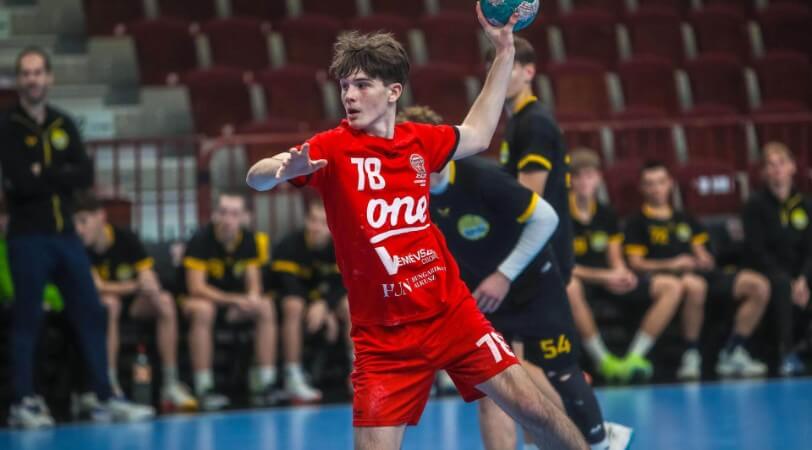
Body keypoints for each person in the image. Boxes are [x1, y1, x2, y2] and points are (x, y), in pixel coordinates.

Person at [246, 6, 588, 450]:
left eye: (361, 85)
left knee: (535, 409)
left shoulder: (419, 140)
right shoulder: (331, 148)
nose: (349, 96)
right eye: (344, 86)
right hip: (383, 336)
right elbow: (256, 176)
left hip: (451, 315)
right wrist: (279, 170)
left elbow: (479, 132)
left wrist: (504, 51)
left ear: (393, 91)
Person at [0, 47, 153, 428]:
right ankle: (23, 401)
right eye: (26, 73)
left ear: (49, 78)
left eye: (38, 72)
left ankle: (102, 396)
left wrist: (45, 173)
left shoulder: (63, 123)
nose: (33, 79)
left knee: (92, 312)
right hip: (27, 237)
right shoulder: (7, 126)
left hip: (65, 236)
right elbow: (20, 182)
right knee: (28, 318)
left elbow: (83, 176)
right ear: (19, 80)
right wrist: (57, 175)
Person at [624, 161, 770, 380]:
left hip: (701, 273)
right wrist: (672, 264)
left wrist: (704, 258)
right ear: (642, 188)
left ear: (670, 184)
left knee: (758, 285)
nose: (656, 189)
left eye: (661, 182)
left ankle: (733, 350)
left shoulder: (685, 218)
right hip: (668, 277)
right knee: (695, 286)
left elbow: (702, 251)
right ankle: (690, 354)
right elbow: (636, 263)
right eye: (650, 184)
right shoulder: (637, 222)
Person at [566, 149, 684, 383]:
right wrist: (605, 276)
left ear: (598, 178)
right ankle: (603, 361)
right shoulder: (560, 213)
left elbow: (615, 256)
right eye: (578, 176)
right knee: (570, 286)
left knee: (671, 285)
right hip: (582, 279)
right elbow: (565, 266)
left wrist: (622, 273)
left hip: (607, 279)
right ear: (569, 180)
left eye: (589, 175)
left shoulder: (606, 213)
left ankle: (633, 358)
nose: (584, 182)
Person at [73, 192, 198, 411]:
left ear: (101, 217)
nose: (79, 229)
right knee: (109, 303)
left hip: (133, 305)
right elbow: (97, 287)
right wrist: (135, 285)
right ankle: (109, 385)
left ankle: (170, 383)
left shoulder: (126, 238)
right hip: (97, 307)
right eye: (75, 223)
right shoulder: (77, 247)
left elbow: (147, 275)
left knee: (165, 301)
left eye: (84, 221)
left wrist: (149, 285)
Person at [180, 191, 278, 411]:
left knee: (265, 306)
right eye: (223, 212)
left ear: (244, 217)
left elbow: (254, 282)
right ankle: (204, 387)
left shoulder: (250, 239)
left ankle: (266, 383)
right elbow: (196, 288)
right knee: (204, 310)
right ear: (215, 214)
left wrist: (252, 297)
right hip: (195, 302)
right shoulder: (201, 239)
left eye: (234, 214)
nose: (228, 219)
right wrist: (235, 300)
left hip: (230, 305)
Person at [742, 142, 812, 376]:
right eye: (770, 165)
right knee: (781, 284)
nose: (777, 169)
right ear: (764, 173)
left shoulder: (805, 204)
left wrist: (803, 279)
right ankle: (786, 352)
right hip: (769, 270)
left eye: (782, 163)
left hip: (800, 270)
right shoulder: (754, 205)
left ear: (793, 167)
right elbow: (757, 251)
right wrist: (790, 281)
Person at [269, 199, 349, 402]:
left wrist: (326, 307)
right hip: (289, 304)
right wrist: (319, 307)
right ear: (306, 221)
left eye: (324, 222)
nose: (317, 227)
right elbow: (289, 286)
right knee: (293, 305)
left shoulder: (340, 246)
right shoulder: (289, 245)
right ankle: (292, 376)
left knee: (349, 305)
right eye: (313, 220)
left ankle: (357, 373)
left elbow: (343, 284)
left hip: (322, 304)